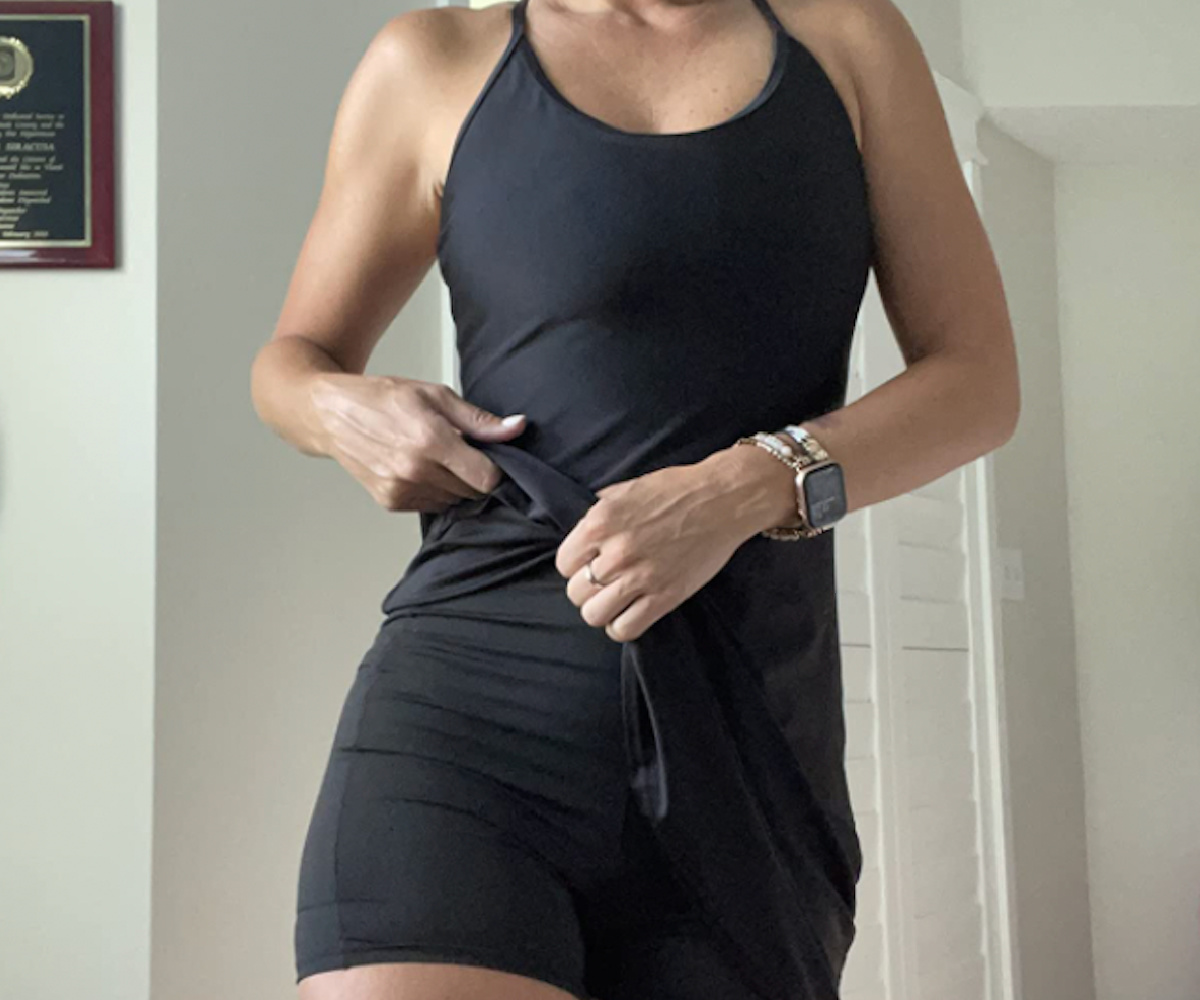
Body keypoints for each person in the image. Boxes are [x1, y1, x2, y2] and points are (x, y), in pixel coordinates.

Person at [249, 0, 1019, 996]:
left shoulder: (849, 42)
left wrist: (745, 485)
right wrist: (341, 410)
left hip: (744, 730)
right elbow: (292, 362)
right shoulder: (433, 59)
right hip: (466, 706)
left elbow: (978, 383)